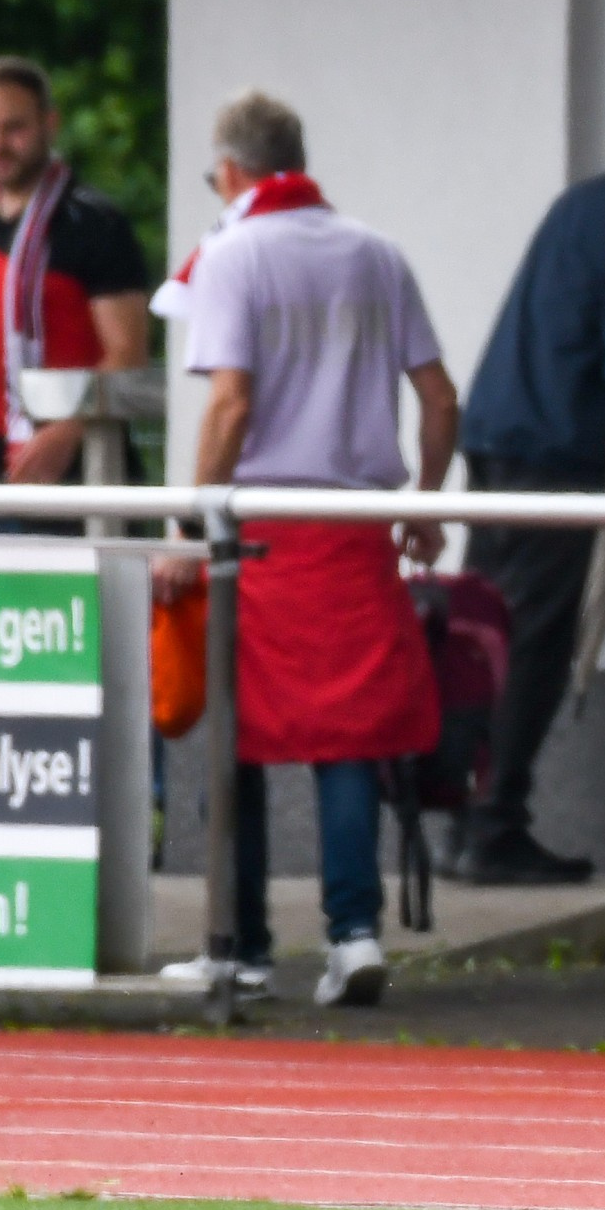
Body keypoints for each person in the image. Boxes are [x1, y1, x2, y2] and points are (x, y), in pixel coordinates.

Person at [152, 92, 453, 1008]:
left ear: (231, 171)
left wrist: (191, 529)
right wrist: (425, 503)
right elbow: (439, 397)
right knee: (346, 740)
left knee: (237, 742)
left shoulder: (233, 255)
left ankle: (240, 946)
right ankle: (353, 936)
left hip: (262, 535)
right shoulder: (377, 253)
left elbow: (231, 403)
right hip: (355, 531)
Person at [451, 170, 605, 885]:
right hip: (554, 445)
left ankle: (461, 816)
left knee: (485, 637)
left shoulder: (587, 201)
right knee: (532, 643)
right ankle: (492, 826)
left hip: (498, 428)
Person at [0, 56, 149, 488]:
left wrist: (69, 428)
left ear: (50, 124)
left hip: (74, 463)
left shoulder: (93, 223)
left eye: (14, 128)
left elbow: (128, 354)